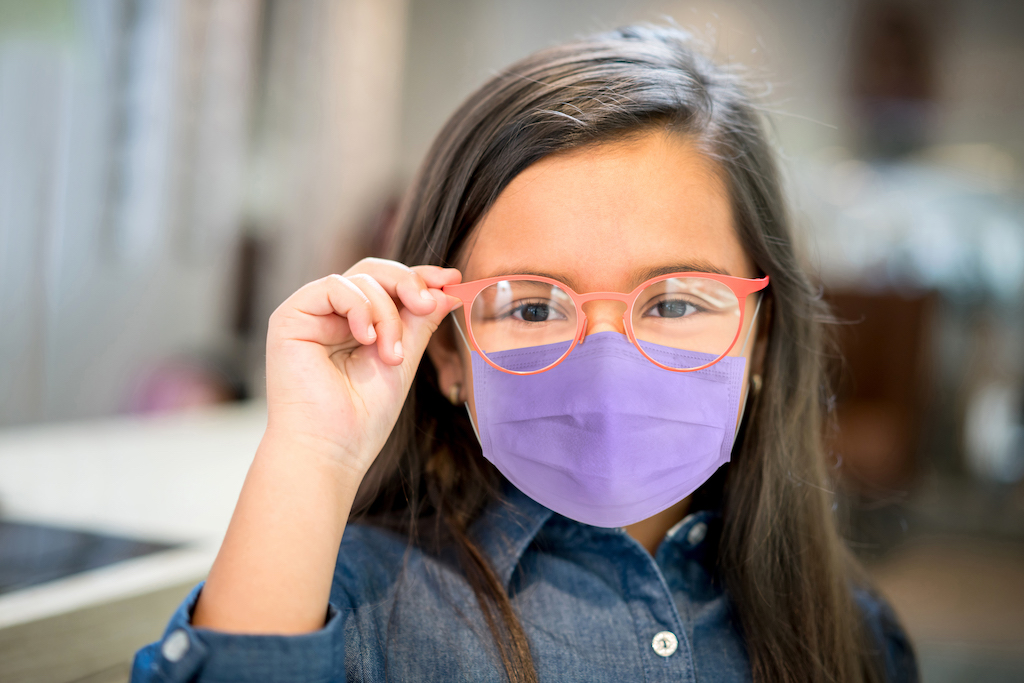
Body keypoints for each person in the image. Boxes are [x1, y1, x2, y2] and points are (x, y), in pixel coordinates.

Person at [132, 25, 917, 683]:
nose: (608, 358)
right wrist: (312, 449)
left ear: (761, 335)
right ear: (446, 351)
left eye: (676, 301)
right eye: (534, 305)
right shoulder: (357, 605)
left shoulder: (847, 632)